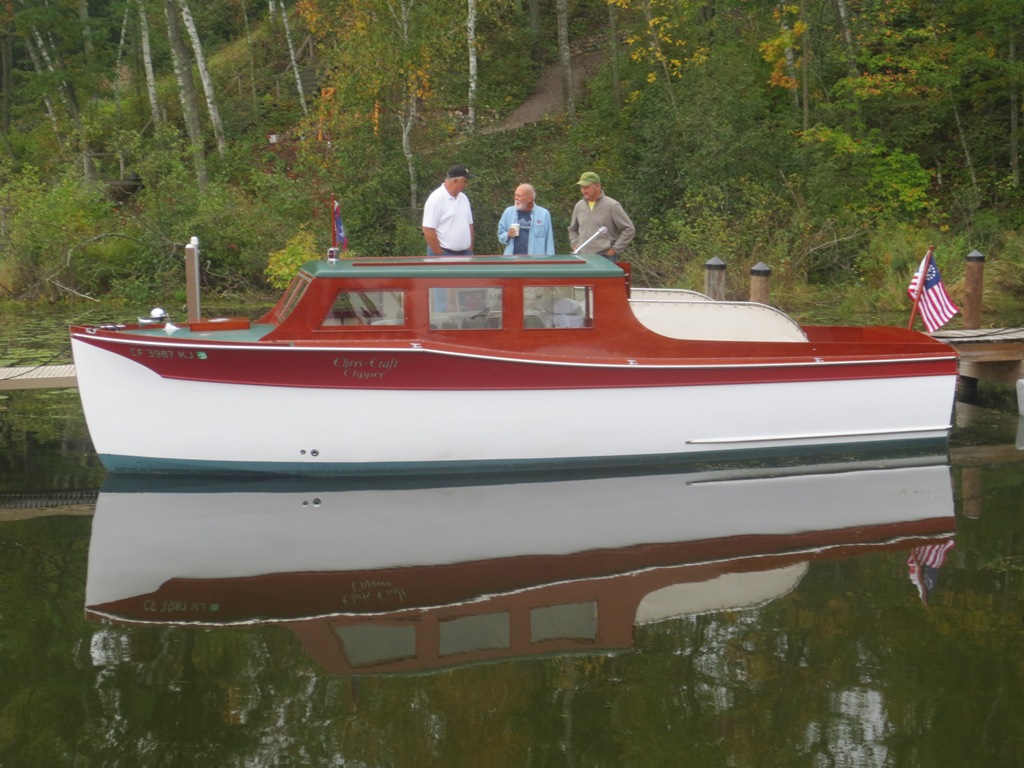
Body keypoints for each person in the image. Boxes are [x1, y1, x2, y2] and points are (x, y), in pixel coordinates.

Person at [567, 171, 635, 260]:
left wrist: (615, 250)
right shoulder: (579, 206)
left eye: (587, 187)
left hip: (605, 257)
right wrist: (575, 245)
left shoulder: (612, 205)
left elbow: (629, 229)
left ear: (598, 186)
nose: (584, 190)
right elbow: (572, 229)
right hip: (582, 257)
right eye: (582, 187)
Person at [422, 164, 475, 256]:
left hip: (465, 253)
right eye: (465, 181)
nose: (467, 184)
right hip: (445, 253)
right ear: (455, 181)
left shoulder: (464, 198)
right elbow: (428, 229)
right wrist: (439, 253)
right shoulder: (436, 199)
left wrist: (470, 248)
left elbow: (469, 225)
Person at [497, 183, 555, 256]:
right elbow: (501, 236)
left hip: (535, 260)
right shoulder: (508, 212)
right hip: (512, 260)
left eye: (519, 196)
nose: (516, 198)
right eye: (515, 195)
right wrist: (508, 235)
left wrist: (550, 259)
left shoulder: (544, 214)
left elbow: (549, 241)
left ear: (529, 198)